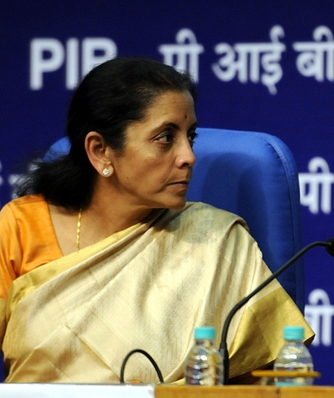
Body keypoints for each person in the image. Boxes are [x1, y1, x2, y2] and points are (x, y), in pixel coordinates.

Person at [0, 57, 312, 383]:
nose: (188, 156)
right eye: (165, 138)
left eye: (189, 137)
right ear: (100, 151)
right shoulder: (21, 226)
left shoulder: (216, 239)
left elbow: (269, 382)